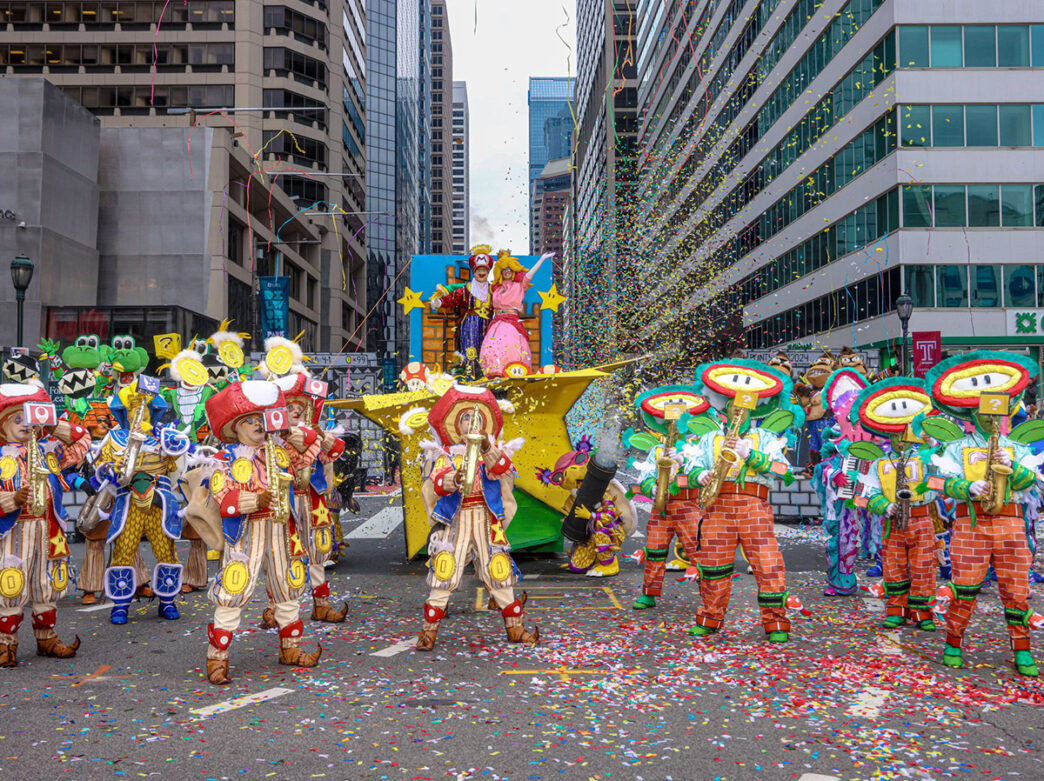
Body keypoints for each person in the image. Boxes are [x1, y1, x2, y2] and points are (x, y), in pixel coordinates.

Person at [196, 379, 323, 685]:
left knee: (288, 587)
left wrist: (281, 427)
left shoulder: (280, 450)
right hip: (246, 532)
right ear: (233, 427)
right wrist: (256, 499)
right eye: (250, 420)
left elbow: (312, 445)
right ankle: (218, 659)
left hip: (282, 529)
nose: (257, 425)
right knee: (233, 591)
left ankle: (290, 650)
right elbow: (224, 500)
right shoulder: (223, 460)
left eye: (261, 419)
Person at [926, 351, 1042, 676]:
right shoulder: (955, 448)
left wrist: (1014, 464)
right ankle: (952, 643)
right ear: (971, 413)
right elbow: (934, 481)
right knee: (964, 589)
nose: (989, 418)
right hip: (970, 524)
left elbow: (1033, 482)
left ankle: (1022, 649)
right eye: (981, 412)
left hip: (1010, 524)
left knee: (1016, 593)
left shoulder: (1017, 447)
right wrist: (965, 487)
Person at [415, 386, 537, 651]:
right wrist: (454, 479)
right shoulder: (446, 454)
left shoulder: (491, 453)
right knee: (443, 575)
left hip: (486, 521)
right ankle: (428, 633)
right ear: (457, 426)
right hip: (455, 521)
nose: (473, 423)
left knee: (499, 573)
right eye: (467, 418)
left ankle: (516, 629)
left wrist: (485, 446)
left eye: (478, 419)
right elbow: (437, 483)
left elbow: (503, 469)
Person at [687, 359, 799, 641]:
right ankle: (710, 618)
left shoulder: (766, 437)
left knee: (767, 565)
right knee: (712, 566)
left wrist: (752, 455)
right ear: (723, 406)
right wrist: (699, 475)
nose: (737, 412)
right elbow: (691, 467)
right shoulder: (709, 437)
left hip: (754, 507)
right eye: (732, 406)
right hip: (718, 506)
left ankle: (775, 624)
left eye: (743, 408)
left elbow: (784, 472)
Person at [0, 384, 90, 666]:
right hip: (14, 530)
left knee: (47, 584)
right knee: (10, 585)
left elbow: (82, 441)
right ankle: (6, 645)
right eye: (17, 418)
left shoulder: (49, 448)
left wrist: (51, 424)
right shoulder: (2, 454)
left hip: (49, 528)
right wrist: (13, 498)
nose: (25, 424)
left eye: (29, 418)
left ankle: (47, 638)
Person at [94, 382, 190, 624]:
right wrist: (110, 469)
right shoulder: (114, 437)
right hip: (128, 502)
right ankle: (120, 605)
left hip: (160, 502)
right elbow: (99, 469)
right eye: (132, 407)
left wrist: (156, 434)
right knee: (124, 552)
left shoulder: (165, 434)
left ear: (153, 410)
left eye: (143, 406)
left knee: (165, 550)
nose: (138, 411)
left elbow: (181, 454)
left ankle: (167, 601)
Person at [852, 377, 939, 630]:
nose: (901, 439)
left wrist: (934, 447)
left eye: (905, 434)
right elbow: (864, 493)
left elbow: (940, 479)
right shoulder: (879, 461)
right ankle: (896, 609)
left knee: (923, 567)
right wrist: (883, 506)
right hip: (893, 522)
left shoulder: (924, 457)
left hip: (922, 519)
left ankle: (923, 612)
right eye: (896, 436)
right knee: (894, 566)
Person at [628, 385, 713, 608]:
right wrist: (651, 489)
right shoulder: (656, 449)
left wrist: (684, 461)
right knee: (655, 550)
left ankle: (709, 595)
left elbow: (703, 473)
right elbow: (644, 475)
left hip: (687, 506)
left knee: (696, 550)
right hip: (661, 508)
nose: (672, 428)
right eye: (669, 424)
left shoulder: (695, 447)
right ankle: (649, 593)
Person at [537, 435, 635, 578]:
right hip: (589, 536)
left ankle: (609, 564)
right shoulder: (574, 499)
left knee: (600, 530)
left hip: (609, 532)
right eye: (577, 484)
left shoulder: (602, 493)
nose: (579, 486)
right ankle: (592, 561)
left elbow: (610, 515)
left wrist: (590, 516)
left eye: (581, 482)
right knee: (577, 566)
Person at [479, 252, 552, 377]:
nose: (507, 272)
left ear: (513, 270)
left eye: (509, 269)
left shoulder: (519, 286)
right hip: (496, 323)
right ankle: (493, 373)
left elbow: (529, 275)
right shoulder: (495, 289)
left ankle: (511, 371)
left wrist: (542, 259)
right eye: (504, 270)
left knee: (512, 347)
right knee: (491, 348)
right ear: (500, 272)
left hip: (511, 323)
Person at [431, 246, 496, 381]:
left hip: (489, 325)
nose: (482, 273)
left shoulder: (493, 289)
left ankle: (486, 377)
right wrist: (440, 302)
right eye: (479, 270)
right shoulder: (467, 289)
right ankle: (470, 377)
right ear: (474, 272)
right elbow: (452, 298)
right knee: (470, 350)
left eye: (484, 270)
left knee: (487, 351)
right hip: (470, 323)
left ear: (488, 272)